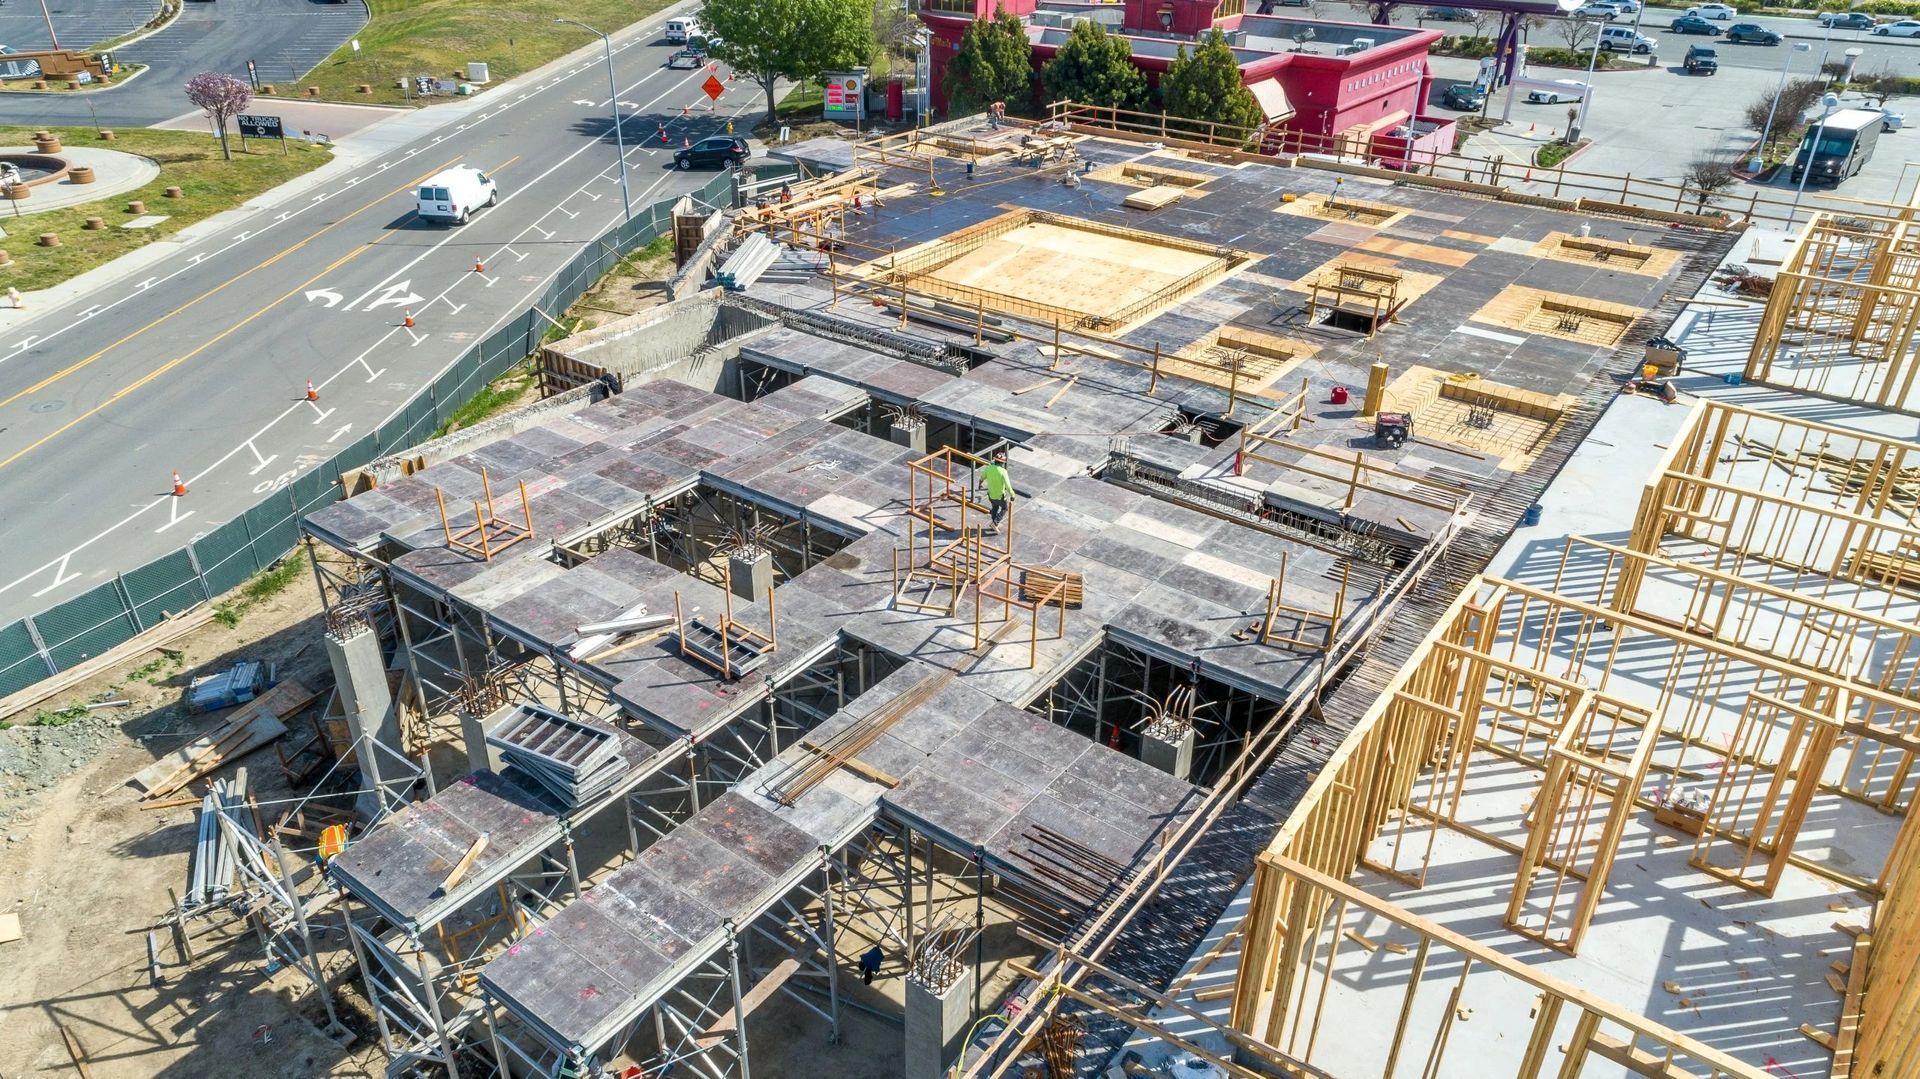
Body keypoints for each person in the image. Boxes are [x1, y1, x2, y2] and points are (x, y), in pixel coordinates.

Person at [981, 449, 1014, 533]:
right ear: (1002, 463)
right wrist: (1012, 495)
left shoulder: (989, 468)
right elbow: (1008, 485)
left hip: (991, 495)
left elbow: (982, 477)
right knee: (1005, 508)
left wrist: (979, 483)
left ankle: (993, 524)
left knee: (995, 507)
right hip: (1000, 496)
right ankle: (995, 523)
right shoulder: (1003, 471)